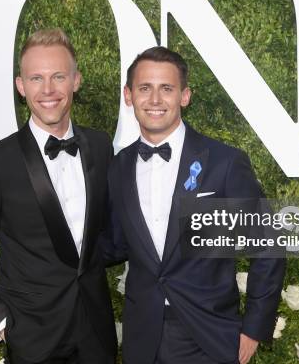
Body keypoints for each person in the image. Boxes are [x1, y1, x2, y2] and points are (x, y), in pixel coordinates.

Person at [103, 46, 286, 364]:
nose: (155, 100)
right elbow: (115, 245)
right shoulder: (118, 167)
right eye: (145, 88)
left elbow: (268, 246)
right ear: (129, 95)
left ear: (184, 96)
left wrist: (254, 328)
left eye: (167, 89)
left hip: (209, 338)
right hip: (142, 339)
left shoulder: (224, 163)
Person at [0, 28, 117, 364]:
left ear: (76, 81)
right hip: (32, 338)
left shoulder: (100, 146)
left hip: (96, 335)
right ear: (21, 86)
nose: (49, 89)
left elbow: (108, 235)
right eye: (36, 78)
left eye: (59, 76)